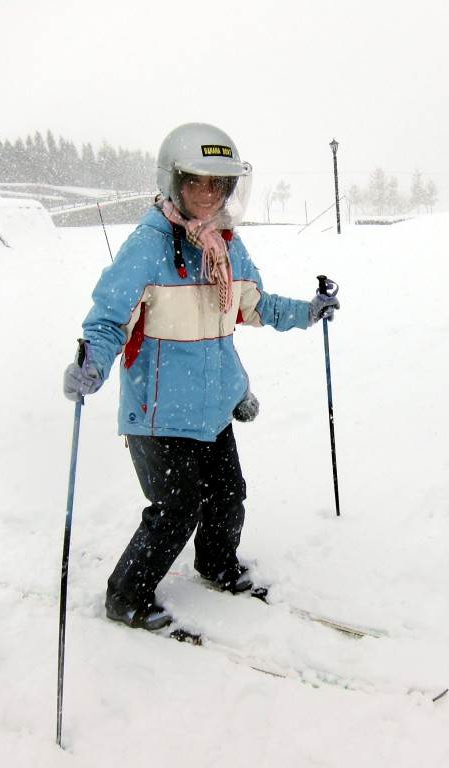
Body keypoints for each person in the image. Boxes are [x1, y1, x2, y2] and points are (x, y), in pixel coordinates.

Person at [63, 123, 340, 631]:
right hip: (159, 413)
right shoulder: (146, 248)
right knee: (176, 506)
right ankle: (126, 595)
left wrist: (309, 311)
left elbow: (255, 306)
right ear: (173, 182)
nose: (209, 195)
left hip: (212, 410)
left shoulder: (227, 248)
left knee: (228, 494)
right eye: (197, 182)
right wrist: (92, 364)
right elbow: (108, 323)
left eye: (219, 184)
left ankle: (215, 564)